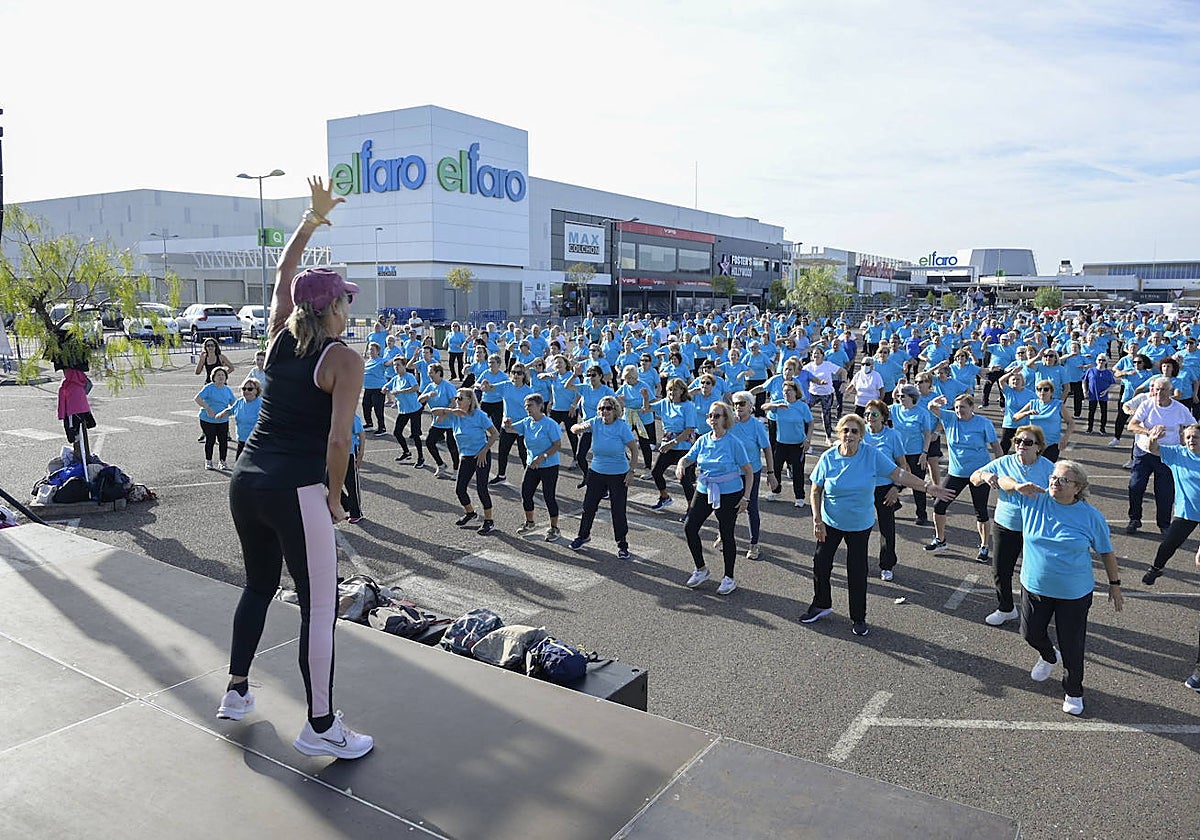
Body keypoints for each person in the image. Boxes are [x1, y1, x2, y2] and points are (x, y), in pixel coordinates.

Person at [221, 176, 373, 759]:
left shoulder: (280, 333)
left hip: (247, 480)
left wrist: (310, 222)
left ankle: (237, 691)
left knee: (259, 585)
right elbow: (339, 440)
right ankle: (321, 724)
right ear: (331, 305)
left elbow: (286, 272)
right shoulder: (344, 358)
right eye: (346, 298)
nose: (350, 306)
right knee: (319, 607)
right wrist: (335, 498)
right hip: (296, 488)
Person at [801, 413, 950, 636]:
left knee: (857, 570)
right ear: (839, 433)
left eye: (854, 431)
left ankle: (858, 617)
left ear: (861, 435)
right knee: (821, 564)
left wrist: (927, 487)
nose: (849, 435)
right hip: (830, 522)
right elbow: (815, 490)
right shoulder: (829, 457)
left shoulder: (872, 456)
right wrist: (817, 520)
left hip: (859, 524)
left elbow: (899, 474)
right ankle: (821, 604)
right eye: (845, 430)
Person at [998, 460, 1123, 716]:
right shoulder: (1033, 499)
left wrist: (1115, 585)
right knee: (1030, 633)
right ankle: (1047, 655)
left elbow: (1106, 552)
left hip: (1073, 592)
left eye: (1063, 480)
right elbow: (999, 480)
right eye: (1054, 477)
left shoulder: (1091, 516)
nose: (1055, 482)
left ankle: (1074, 691)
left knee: (1072, 644)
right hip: (1035, 585)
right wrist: (1017, 484)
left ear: (1078, 488)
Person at [970, 425, 1054, 626]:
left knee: (1035, 574)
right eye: (1018, 441)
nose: (1021, 445)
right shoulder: (1004, 462)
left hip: (1035, 528)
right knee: (1001, 571)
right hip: (1005, 525)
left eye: (1028, 442)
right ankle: (1006, 608)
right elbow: (974, 478)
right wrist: (984, 476)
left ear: (1039, 447)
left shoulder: (1049, 468)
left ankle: (1036, 615)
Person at [678, 401, 753, 594]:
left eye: (717, 416)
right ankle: (701, 569)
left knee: (726, 533)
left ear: (726, 418)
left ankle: (729, 577)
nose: (713, 419)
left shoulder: (733, 442)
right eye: (710, 415)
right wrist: (681, 463)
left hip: (729, 493)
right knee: (690, 527)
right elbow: (689, 457)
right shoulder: (703, 440)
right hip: (704, 489)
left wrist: (746, 498)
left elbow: (748, 471)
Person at [925, 393, 1003, 560]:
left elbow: (996, 447)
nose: (959, 410)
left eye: (963, 407)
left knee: (980, 511)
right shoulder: (950, 418)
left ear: (972, 408)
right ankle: (940, 540)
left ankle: (984, 547)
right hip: (956, 473)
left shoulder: (983, 423)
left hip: (979, 473)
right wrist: (935, 402)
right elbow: (931, 408)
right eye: (957, 407)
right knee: (939, 505)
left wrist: (1000, 468)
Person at [569, 394, 637, 558]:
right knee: (588, 506)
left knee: (618, 510)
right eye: (601, 408)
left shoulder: (622, 427)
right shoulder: (595, 422)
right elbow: (575, 428)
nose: (604, 411)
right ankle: (583, 535)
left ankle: (622, 544)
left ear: (615, 410)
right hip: (597, 472)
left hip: (618, 473)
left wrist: (631, 472)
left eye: (608, 408)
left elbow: (634, 450)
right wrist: (578, 428)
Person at [1124, 376, 1194, 535]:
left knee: (1165, 492)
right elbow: (1131, 425)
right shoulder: (1146, 404)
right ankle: (1134, 519)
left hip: (1168, 454)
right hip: (1144, 451)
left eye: (1163, 390)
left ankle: (1164, 524)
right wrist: (1149, 432)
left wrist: (1186, 440)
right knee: (1135, 486)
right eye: (1156, 389)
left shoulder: (1179, 408)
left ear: (1170, 391)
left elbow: (1192, 426)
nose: (1159, 393)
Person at [430, 387, 500, 535]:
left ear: (470, 401)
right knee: (460, 489)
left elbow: (494, 434)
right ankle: (471, 513)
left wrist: (484, 451)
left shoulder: (479, 415)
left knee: (482, 489)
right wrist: (450, 411)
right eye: (456, 398)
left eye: (460, 398)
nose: (457, 400)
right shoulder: (455, 415)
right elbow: (434, 411)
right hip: (466, 456)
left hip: (481, 455)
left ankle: (489, 521)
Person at [1141, 423, 1200, 585]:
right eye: (1188, 437)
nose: (1191, 440)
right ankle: (1156, 568)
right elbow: (1154, 449)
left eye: (1195, 437)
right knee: (1168, 544)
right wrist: (1153, 438)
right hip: (1187, 512)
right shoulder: (1177, 454)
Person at [506, 393, 562, 542]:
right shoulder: (526, 422)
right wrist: (507, 424)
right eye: (526, 406)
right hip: (533, 465)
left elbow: (557, 445)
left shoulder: (550, 424)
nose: (527, 408)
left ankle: (554, 528)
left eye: (530, 405)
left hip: (549, 465)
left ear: (539, 406)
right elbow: (510, 429)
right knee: (526, 493)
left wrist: (542, 457)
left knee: (549, 496)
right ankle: (530, 522)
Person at [729, 390, 778, 560]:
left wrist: (771, 473)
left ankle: (754, 544)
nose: (738, 407)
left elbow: (767, 449)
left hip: (752, 472)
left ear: (751, 407)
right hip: (732, 473)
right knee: (728, 507)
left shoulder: (756, 425)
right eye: (735, 404)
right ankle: (724, 535)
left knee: (751, 507)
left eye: (742, 404)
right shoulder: (729, 423)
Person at [863, 400, 905, 581]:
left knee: (887, 528)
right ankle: (859, 564)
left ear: (883, 417)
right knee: (860, 528)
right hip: (863, 488)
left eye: (874, 414)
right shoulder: (860, 432)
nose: (869, 418)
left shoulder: (892, 436)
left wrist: (896, 488)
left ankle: (887, 565)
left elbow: (903, 465)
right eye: (867, 414)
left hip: (885, 489)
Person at [649, 377, 698, 512]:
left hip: (683, 446)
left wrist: (672, 443)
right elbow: (647, 408)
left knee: (684, 478)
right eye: (669, 390)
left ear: (682, 391)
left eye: (675, 389)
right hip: (668, 444)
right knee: (656, 472)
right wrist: (645, 396)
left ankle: (691, 509)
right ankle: (664, 497)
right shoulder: (665, 402)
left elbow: (689, 430)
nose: (671, 392)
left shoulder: (688, 406)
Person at [760, 380, 813, 507]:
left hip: (797, 444)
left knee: (797, 471)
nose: (786, 393)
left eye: (789, 391)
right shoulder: (780, 404)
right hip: (781, 444)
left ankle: (799, 497)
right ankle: (776, 491)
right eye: (784, 391)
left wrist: (808, 440)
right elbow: (763, 407)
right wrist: (776, 406)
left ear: (796, 392)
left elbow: (810, 423)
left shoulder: (802, 406)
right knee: (776, 468)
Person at [890, 384, 935, 527]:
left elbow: (927, 434)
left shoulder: (922, 412)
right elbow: (878, 410)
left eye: (903, 396)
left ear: (912, 397)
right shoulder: (894, 409)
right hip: (897, 451)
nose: (900, 398)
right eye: (899, 396)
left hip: (916, 452)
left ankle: (921, 514)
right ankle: (895, 503)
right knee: (889, 478)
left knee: (917, 483)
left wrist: (924, 453)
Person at [1012, 379, 1074, 462]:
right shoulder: (1033, 403)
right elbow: (1015, 417)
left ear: (1051, 392)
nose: (1042, 392)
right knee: (1032, 467)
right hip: (1033, 443)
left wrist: (1065, 438)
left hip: (1052, 444)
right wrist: (1026, 413)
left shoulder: (1058, 404)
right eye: (1039, 389)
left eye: (1046, 389)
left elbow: (1071, 423)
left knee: (1048, 470)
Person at [418, 363, 459, 478]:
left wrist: (443, 414)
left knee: (452, 446)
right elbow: (419, 400)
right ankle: (441, 464)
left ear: (438, 373)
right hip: (438, 422)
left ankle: (457, 469)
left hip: (450, 421)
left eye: (431, 372)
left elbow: (453, 402)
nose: (428, 374)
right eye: (428, 372)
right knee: (429, 442)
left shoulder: (447, 386)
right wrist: (427, 395)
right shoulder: (430, 386)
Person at [385, 356, 425, 467]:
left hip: (414, 409)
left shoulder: (409, 376)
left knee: (415, 434)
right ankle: (406, 452)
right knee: (397, 432)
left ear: (403, 366)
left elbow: (416, 387)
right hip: (403, 410)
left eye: (398, 365)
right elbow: (387, 386)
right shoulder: (395, 378)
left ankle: (421, 458)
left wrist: (401, 391)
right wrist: (384, 388)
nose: (396, 367)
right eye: (394, 365)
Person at [195, 367, 236, 470]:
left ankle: (223, 461)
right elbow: (197, 398)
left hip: (222, 420)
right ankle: (208, 461)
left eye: (223, 375)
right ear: (213, 377)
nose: (221, 377)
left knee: (223, 441)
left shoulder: (227, 390)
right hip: (207, 419)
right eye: (218, 375)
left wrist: (231, 412)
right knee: (210, 439)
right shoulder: (209, 388)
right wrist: (207, 408)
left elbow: (234, 403)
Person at [215, 377, 263, 460]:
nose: (246, 391)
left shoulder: (261, 404)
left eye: (250, 389)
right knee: (239, 467)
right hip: (242, 440)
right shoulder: (240, 402)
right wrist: (222, 414)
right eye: (244, 389)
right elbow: (231, 410)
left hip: (256, 442)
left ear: (256, 390)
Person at [342, 413, 366, 524]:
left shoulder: (351, 415)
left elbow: (361, 434)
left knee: (351, 484)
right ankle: (346, 503)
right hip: (335, 453)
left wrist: (360, 455)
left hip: (350, 453)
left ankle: (356, 513)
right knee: (327, 479)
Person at [1083, 354, 1116, 435]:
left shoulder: (1108, 372)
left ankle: (1102, 428)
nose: (1101, 362)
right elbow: (1084, 380)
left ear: (1106, 362)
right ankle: (1089, 428)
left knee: (1103, 412)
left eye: (1103, 360)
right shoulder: (1090, 370)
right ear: (1096, 361)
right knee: (1091, 412)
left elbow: (1113, 383)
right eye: (1099, 360)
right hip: (1092, 394)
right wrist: (1085, 391)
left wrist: (1106, 391)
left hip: (1103, 395)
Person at [361, 341, 388, 434]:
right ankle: (369, 423)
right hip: (368, 388)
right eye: (369, 350)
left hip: (378, 388)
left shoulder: (381, 360)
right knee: (365, 406)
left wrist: (394, 359)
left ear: (378, 351)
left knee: (378, 408)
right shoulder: (368, 361)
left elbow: (387, 364)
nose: (370, 351)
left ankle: (382, 427)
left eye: (372, 350)